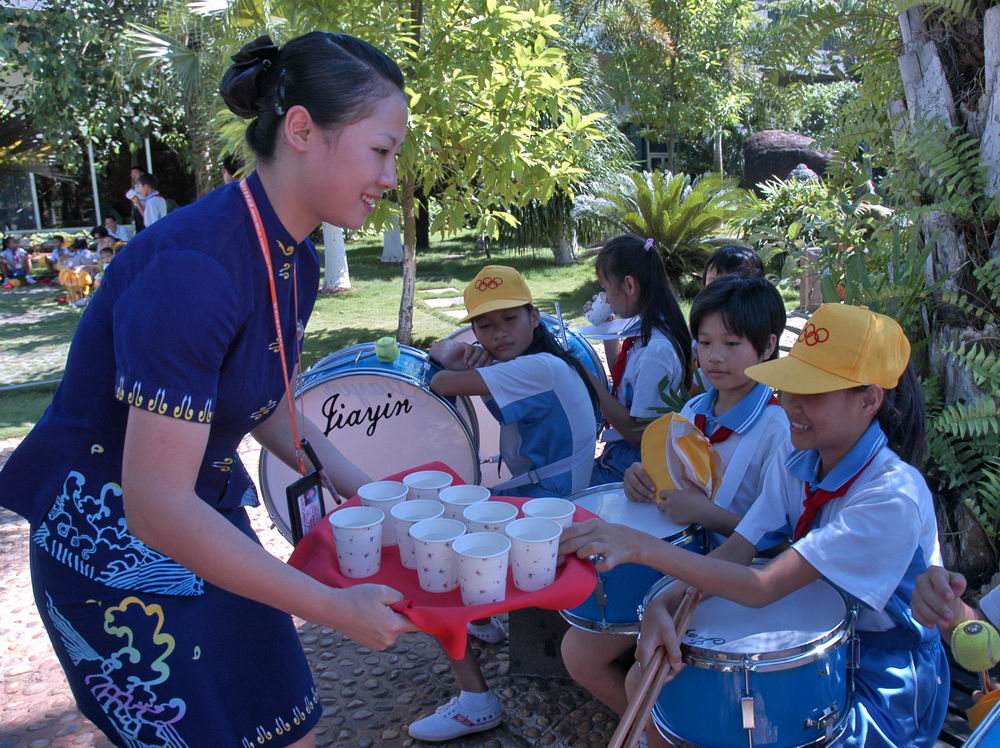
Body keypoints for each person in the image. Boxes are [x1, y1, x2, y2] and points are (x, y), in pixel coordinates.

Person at [0, 31, 416, 747]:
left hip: (204, 522)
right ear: (301, 130)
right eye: (380, 149)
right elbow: (155, 507)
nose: (391, 174)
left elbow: (266, 406)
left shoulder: (294, 257)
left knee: (289, 731)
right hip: (112, 555)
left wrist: (371, 490)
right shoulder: (193, 269)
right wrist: (331, 606)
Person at [562, 303, 949, 748]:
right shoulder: (801, 461)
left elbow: (762, 584)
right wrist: (659, 603)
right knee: (659, 693)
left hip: (882, 672)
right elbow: (737, 549)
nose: (792, 406)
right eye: (788, 389)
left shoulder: (890, 495)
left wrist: (640, 547)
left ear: (868, 399)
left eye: (814, 393)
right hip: (814, 642)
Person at [562, 274, 789, 715]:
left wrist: (710, 514)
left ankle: (657, 728)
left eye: (731, 343)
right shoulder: (694, 409)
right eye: (704, 343)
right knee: (577, 653)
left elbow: (780, 542)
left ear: (767, 347)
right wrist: (638, 478)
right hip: (670, 561)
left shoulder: (777, 430)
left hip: (727, 575)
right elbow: (666, 474)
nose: (714, 357)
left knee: (643, 678)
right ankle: (652, 734)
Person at [417, 265, 599, 741]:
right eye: (484, 325)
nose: (497, 335)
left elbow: (441, 382)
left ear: (533, 317)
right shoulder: (540, 361)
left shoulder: (536, 368)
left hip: (556, 507)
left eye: (509, 320)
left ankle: (476, 700)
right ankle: (482, 616)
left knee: (431, 561)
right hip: (554, 495)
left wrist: (445, 353)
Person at [589, 236, 693, 486]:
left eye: (605, 287)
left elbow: (638, 433)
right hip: (625, 459)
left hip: (633, 466)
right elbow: (629, 380)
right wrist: (607, 326)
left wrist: (591, 385)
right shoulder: (652, 327)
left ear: (629, 285)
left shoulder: (656, 350)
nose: (605, 297)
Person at [125, 166, 146, 233]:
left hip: (144, 210)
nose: (133, 176)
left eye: (135, 173)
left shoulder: (145, 185)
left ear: (142, 174)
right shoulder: (136, 186)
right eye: (132, 174)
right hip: (137, 211)